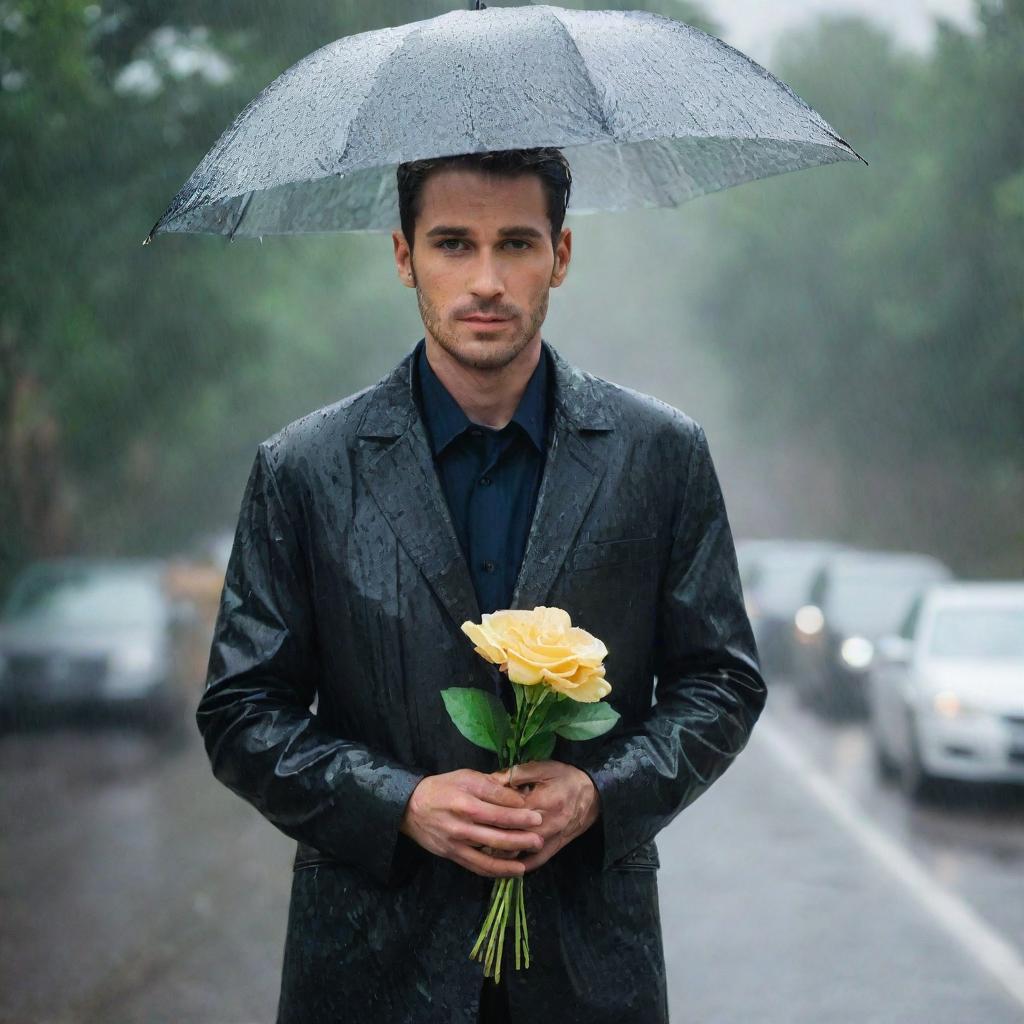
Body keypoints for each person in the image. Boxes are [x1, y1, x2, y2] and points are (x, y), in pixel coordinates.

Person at [196, 146, 767, 1024]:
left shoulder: (661, 455)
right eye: (454, 244)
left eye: (518, 244)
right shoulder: (305, 470)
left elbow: (722, 682)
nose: (488, 280)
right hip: (367, 970)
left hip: (589, 967)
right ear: (403, 256)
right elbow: (240, 712)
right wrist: (402, 803)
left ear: (562, 256)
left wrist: (597, 792)